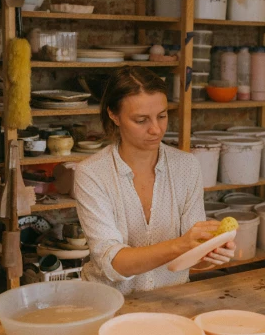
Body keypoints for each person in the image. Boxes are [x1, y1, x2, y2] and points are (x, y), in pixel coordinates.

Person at [74, 66, 235, 294]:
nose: (156, 129)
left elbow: (192, 256)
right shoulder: (92, 174)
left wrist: (209, 253)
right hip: (110, 304)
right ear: (114, 115)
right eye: (141, 120)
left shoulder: (186, 166)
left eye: (162, 116)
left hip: (171, 299)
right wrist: (179, 244)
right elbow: (111, 262)